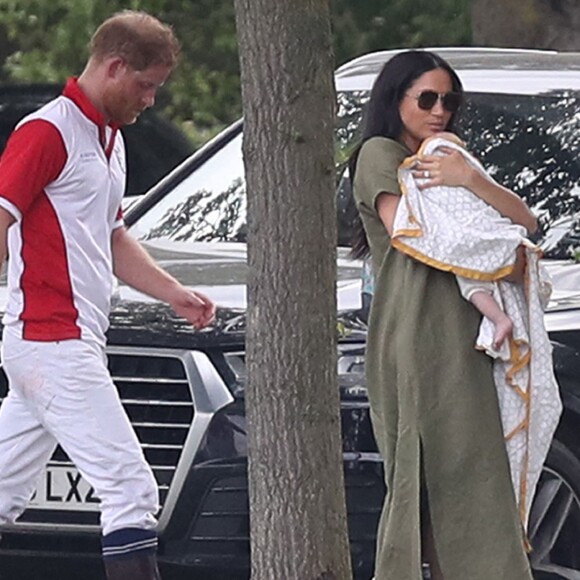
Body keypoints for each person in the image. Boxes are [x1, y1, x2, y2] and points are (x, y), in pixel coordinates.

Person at [0, 11, 215, 580]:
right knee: (130, 488)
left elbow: (111, 234)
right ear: (116, 67)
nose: (150, 100)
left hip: (56, 343)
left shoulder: (108, 139)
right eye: (146, 85)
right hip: (55, 341)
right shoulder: (48, 131)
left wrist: (172, 292)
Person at [349, 50, 539, 580]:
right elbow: (414, 233)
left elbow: (525, 220)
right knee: (422, 474)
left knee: (475, 470)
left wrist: (468, 178)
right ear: (396, 99)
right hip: (414, 331)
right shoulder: (378, 155)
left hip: (469, 334)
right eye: (427, 99)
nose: (440, 111)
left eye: (449, 101)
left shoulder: (450, 157)